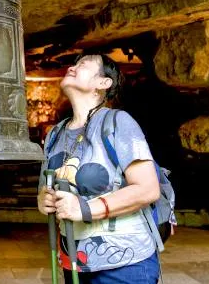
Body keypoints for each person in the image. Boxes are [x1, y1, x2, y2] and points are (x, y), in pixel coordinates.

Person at [37, 53, 161, 283]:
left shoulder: (118, 122)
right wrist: (44, 199)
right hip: (75, 261)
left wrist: (85, 209)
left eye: (82, 64)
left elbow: (148, 189)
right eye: (74, 64)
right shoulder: (55, 133)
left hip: (124, 263)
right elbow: (46, 188)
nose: (73, 67)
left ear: (103, 83)